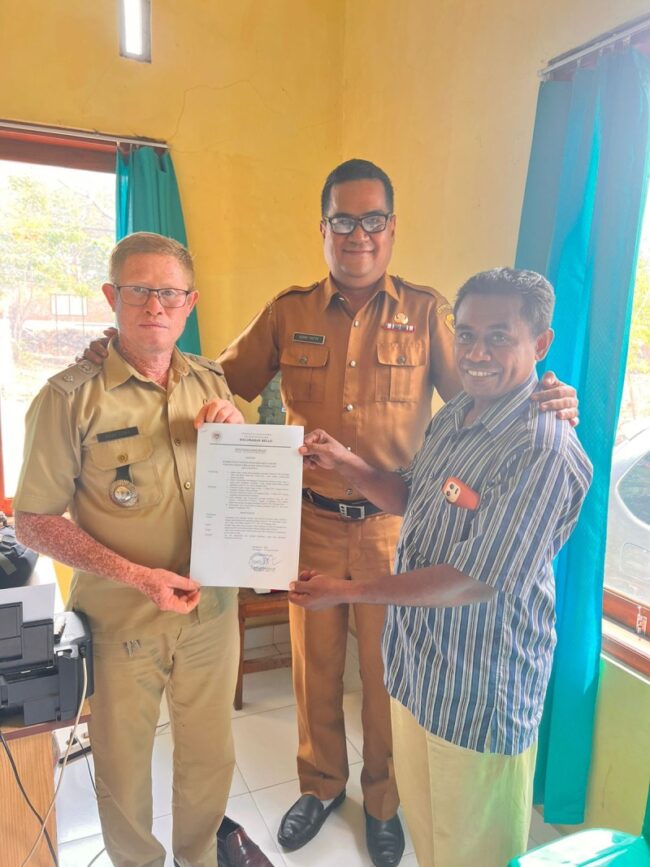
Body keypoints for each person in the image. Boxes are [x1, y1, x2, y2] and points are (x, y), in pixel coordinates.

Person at [83, 161, 578, 867]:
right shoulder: (289, 312)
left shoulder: (429, 313)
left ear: (392, 228)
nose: (358, 234)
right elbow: (209, 379)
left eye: (373, 219)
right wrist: (126, 351)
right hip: (308, 518)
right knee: (314, 669)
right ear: (323, 228)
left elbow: (484, 383)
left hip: (393, 523)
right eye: (343, 220)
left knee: (387, 673)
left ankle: (383, 800)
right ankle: (319, 786)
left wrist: (552, 391)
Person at [289, 268, 593, 867]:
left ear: (540, 344)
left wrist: (347, 591)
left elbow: (474, 578)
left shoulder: (541, 446)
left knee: (475, 853)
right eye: (468, 334)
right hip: (418, 675)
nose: (477, 353)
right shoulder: (454, 416)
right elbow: (411, 495)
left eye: (499, 337)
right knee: (431, 843)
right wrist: (345, 461)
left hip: (479, 694)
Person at [13, 233, 273, 867]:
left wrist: (237, 434)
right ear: (113, 296)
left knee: (210, 754)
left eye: (170, 293)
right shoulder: (68, 398)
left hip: (211, 612)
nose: (156, 305)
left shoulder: (211, 381)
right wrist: (135, 574)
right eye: (140, 291)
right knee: (123, 767)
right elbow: (33, 522)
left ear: (190, 303)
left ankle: (199, 856)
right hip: (122, 617)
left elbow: (244, 483)